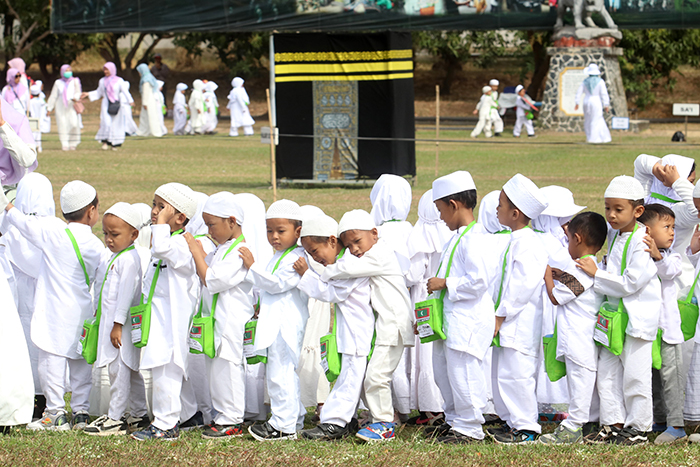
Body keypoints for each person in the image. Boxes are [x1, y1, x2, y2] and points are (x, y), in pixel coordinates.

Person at [0, 180, 103, 431]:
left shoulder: (53, 232)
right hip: (83, 312)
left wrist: (8, 205)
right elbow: (101, 282)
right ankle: (80, 412)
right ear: (91, 211)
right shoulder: (97, 246)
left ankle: (55, 412)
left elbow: (24, 224)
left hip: (54, 313)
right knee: (80, 362)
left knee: (51, 362)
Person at [577, 175, 661, 445]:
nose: (611, 215)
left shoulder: (640, 241)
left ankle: (638, 428)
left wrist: (595, 274)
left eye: (618, 209)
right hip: (614, 320)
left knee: (636, 377)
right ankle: (612, 423)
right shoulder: (616, 236)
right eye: (607, 208)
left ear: (638, 211)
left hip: (636, 321)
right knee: (608, 373)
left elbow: (631, 283)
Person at [320, 209, 414, 443]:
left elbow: (347, 269)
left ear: (374, 233)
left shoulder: (379, 255)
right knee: (372, 375)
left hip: (394, 326)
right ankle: (377, 419)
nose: (354, 250)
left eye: (357, 241)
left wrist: (319, 271)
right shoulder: (374, 253)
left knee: (377, 376)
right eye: (348, 245)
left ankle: (384, 424)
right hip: (385, 326)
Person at [423, 171, 499, 444]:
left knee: (463, 373)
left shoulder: (476, 238)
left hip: (467, 321)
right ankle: (455, 420)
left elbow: (478, 282)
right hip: (450, 320)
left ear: (454, 205)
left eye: (441, 210)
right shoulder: (457, 236)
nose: (441, 217)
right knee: (445, 373)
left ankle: (470, 427)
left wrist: (445, 283)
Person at [185, 192, 262, 439]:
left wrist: (194, 250)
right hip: (217, 321)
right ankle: (222, 415)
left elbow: (211, 279)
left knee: (228, 369)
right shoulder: (223, 248)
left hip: (231, 322)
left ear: (231, 221)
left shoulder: (241, 250)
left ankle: (233, 418)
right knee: (216, 369)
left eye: (211, 225)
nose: (208, 230)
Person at [294, 214, 374, 440]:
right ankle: (346, 420)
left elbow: (331, 293)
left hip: (356, 331)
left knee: (349, 377)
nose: (314, 258)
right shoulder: (341, 263)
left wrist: (306, 275)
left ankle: (335, 423)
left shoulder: (348, 265)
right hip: (350, 330)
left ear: (332, 241)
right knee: (350, 377)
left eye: (314, 251)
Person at [130, 183, 199, 441]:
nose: (154, 212)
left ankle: (165, 424)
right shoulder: (169, 240)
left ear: (180, 218)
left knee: (165, 370)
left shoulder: (180, 244)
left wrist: (160, 224)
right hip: (159, 318)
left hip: (171, 322)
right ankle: (190, 414)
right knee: (170, 370)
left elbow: (160, 248)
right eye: (154, 204)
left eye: (162, 207)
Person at [240, 199, 309, 441]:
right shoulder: (280, 255)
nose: (274, 237)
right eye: (270, 231)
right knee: (281, 372)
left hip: (285, 323)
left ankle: (283, 426)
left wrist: (252, 266)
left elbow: (277, 284)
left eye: (281, 231)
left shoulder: (296, 258)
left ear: (298, 231)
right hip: (275, 322)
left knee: (281, 374)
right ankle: (293, 418)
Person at [488, 174, 549, 444]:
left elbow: (521, 287)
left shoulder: (530, 243)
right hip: (505, 320)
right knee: (503, 374)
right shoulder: (513, 238)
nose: (496, 209)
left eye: (500, 204)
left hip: (518, 322)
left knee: (518, 376)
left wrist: (501, 314)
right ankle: (511, 423)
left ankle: (526, 428)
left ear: (515, 213)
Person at [539, 211, 607, 444]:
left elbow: (557, 298)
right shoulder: (590, 269)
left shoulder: (583, 273)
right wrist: (561, 275)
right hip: (582, 338)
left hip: (578, 339)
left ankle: (573, 426)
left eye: (568, 239)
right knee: (586, 383)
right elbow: (577, 286)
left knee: (580, 383)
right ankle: (589, 422)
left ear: (577, 238)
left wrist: (548, 276)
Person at [83, 203, 149, 436]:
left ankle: (115, 418)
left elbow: (125, 297)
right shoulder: (118, 256)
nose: (109, 239)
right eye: (106, 234)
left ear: (134, 235)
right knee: (129, 370)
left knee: (119, 371)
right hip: (113, 325)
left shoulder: (128, 260)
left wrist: (117, 325)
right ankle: (139, 415)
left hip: (120, 329)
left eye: (115, 234)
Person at [1, 173, 61, 420]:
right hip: (47, 302)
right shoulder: (56, 229)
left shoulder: (12, 228)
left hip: (19, 303)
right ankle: (47, 398)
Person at [636, 204, 688, 444]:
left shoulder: (671, 256)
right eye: (666, 226)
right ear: (647, 230)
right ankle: (659, 420)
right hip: (648, 330)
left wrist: (657, 255)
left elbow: (670, 271)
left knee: (671, 380)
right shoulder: (638, 254)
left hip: (668, 332)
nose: (672, 232)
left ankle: (676, 425)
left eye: (673, 227)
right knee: (653, 379)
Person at [405, 189, 451, 427]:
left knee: (424, 353)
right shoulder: (452, 234)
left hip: (424, 299)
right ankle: (444, 404)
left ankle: (431, 407)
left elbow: (413, 274)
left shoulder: (418, 236)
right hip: (445, 296)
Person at [369, 173, 412, 420]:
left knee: (383, 358)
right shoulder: (410, 229)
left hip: (384, 303)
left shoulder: (376, 234)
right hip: (412, 299)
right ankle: (405, 407)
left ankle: (390, 412)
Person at [82, 62, 129, 151]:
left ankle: (114, 143)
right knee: (106, 123)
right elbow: (99, 92)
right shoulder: (102, 81)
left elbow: (125, 91)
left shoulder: (119, 81)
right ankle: (105, 142)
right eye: (104, 69)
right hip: (106, 104)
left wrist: (130, 101)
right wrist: (88, 94)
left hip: (116, 104)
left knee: (115, 124)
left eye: (107, 69)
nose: (105, 71)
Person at [47, 65, 82, 151]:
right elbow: (53, 95)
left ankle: (73, 142)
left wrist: (76, 97)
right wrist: (49, 108)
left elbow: (78, 92)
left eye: (69, 70)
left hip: (71, 105)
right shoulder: (58, 82)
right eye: (66, 71)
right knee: (62, 124)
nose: (68, 72)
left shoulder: (75, 81)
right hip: (60, 105)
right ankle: (65, 143)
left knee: (74, 123)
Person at [575, 63, 611, 144]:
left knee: (588, 120)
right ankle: (594, 138)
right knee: (596, 119)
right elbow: (604, 93)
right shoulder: (600, 81)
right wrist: (606, 104)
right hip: (596, 100)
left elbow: (579, 92)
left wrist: (577, 102)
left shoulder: (585, 81)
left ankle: (590, 136)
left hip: (586, 100)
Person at [135, 63, 162, 138]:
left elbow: (146, 92)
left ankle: (155, 132)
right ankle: (144, 131)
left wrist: (145, 103)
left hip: (148, 101)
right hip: (150, 100)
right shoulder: (149, 77)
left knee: (151, 116)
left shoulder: (146, 80)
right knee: (145, 117)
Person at [29, 84, 46, 152]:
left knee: (33, 133)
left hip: (33, 119)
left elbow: (30, 111)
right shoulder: (41, 101)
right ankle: (39, 147)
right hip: (40, 118)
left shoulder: (30, 101)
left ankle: (34, 146)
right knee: (38, 133)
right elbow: (43, 110)